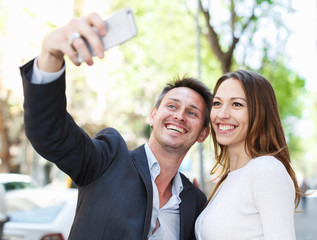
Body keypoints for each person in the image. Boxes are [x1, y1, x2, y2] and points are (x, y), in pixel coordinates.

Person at [20, 12, 212, 240]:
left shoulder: (195, 201)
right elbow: (50, 133)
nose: (179, 116)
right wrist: (50, 54)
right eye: (172, 106)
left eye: (192, 112)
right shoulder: (108, 159)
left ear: (203, 133)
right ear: (152, 116)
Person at [195, 70, 301, 240]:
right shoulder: (227, 180)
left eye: (237, 104)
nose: (222, 114)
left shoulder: (267, 170)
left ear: (261, 113)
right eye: (217, 103)